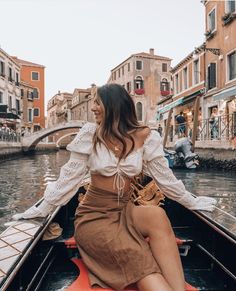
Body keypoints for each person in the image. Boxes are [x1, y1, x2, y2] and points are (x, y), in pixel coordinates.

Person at [13, 84, 216, 291]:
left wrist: (192, 201)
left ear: (114, 106)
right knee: (142, 262)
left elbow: (166, 180)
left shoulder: (146, 137)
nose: (93, 108)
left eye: (97, 103)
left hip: (123, 211)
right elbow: (68, 180)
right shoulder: (90, 134)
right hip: (94, 217)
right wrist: (41, 210)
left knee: (158, 215)